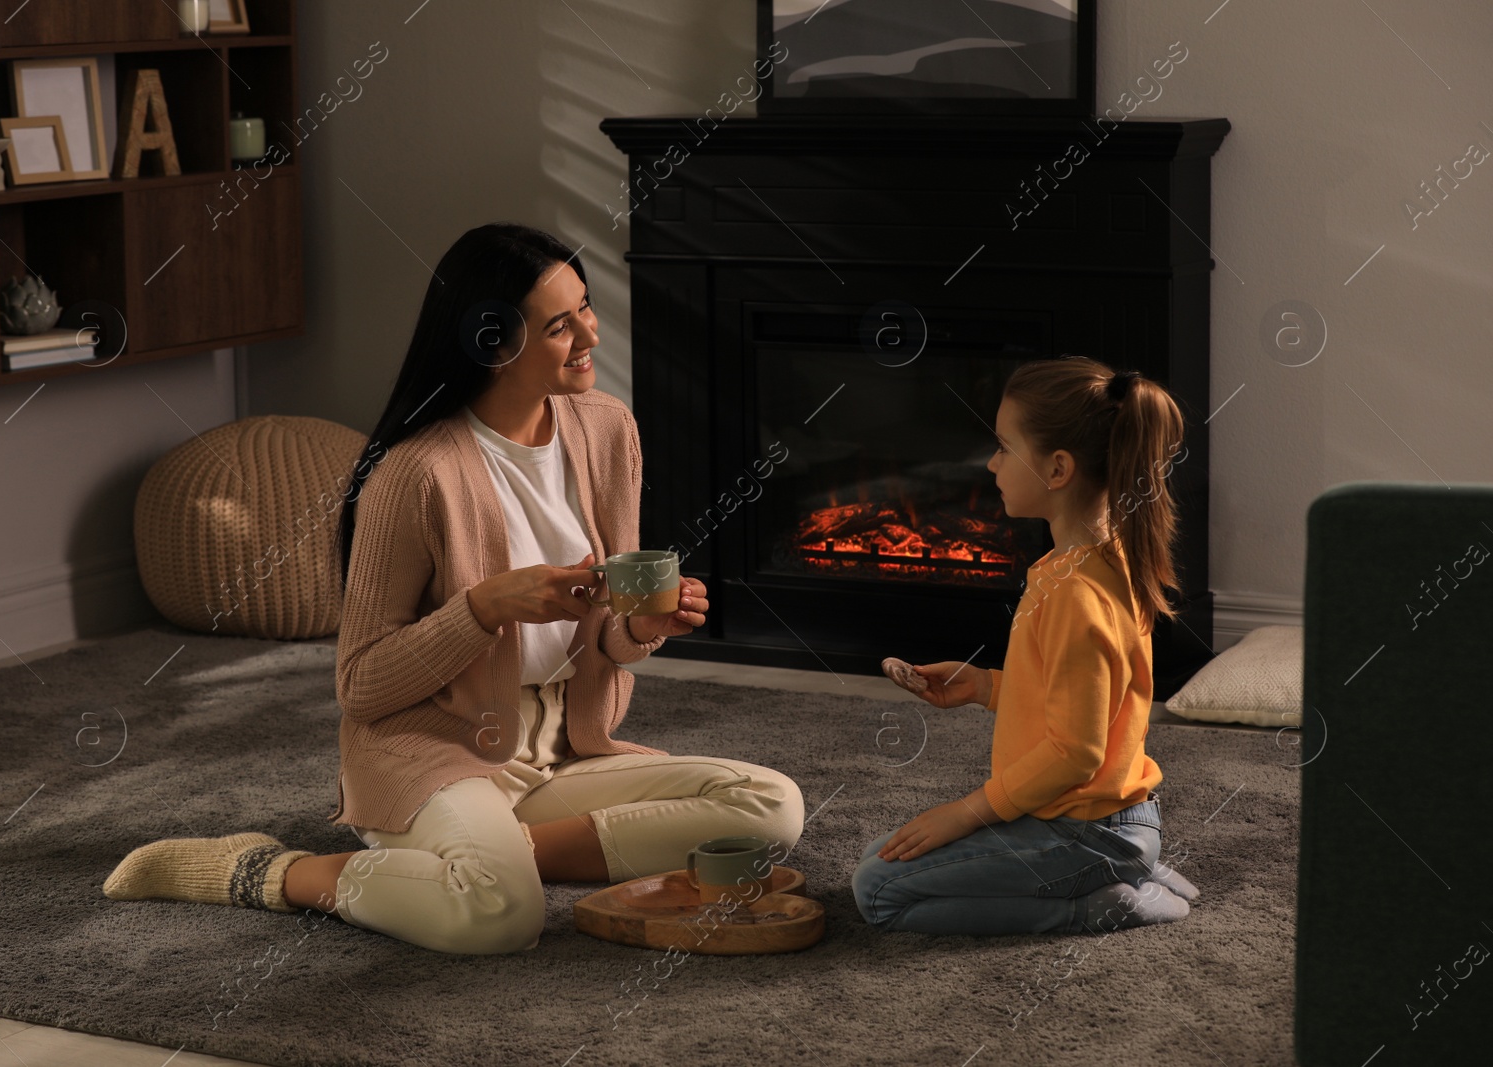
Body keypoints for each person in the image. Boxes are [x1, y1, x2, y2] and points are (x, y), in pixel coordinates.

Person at [103, 223, 804, 953]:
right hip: (436, 747)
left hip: (561, 749)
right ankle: (276, 870)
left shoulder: (605, 430)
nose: (591, 332)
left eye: (586, 308)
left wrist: (648, 626)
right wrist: (482, 609)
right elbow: (361, 684)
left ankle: (491, 853)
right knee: (500, 917)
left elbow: (609, 632)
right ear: (494, 345)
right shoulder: (417, 474)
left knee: (771, 806)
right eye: (561, 325)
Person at [852, 356, 1200, 936]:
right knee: (879, 855)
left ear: (1057, 468)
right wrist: (986, 686)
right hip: (1105, 819)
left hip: (1086, 830)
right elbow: (1086, 699)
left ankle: (1101, 899)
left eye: (1004, 447)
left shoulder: (1074, 592)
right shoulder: (1103, 556)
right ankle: (1137, 867)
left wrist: (965, 813)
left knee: (878, 891)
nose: (991, 463)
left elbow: (1076, 752)